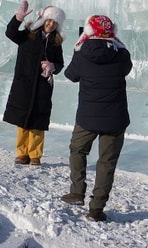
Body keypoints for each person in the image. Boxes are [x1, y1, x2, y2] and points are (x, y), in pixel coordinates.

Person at [61, 14, 133, 223]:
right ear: (112, 34)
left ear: (88, 32)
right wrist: (118, 43)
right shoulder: (121, 56)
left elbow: (70, 75)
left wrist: (78, 47)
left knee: (78, 149)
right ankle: (96, 209)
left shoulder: (82, 54)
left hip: (87, 118)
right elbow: (127, 68)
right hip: (115, 120)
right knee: (106, 163)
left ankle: (76, 192)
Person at [2, 0, 65, 166]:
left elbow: (60, 64)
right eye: (49, 21)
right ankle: (22, 153)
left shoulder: (56, 43)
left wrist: (53, 66)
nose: (50, 25)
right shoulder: (27, 34)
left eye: (54, 23)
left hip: (42, 87)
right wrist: (17, 18)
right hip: (24, 84)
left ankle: (35, 154)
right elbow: (10, 33)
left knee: (37, 122)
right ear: (43, 20)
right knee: (23, 121)